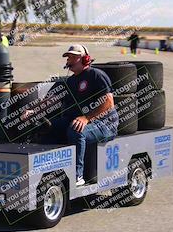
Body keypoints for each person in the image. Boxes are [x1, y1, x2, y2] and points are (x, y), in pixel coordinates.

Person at [23, 45, 119, 186]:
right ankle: (49, 170)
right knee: (47, 127)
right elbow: (51, 101)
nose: (69, 60)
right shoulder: (70, 81)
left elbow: (108, 103)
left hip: (105, 124)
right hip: (79, 121)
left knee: (76, 130)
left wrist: (86, 118)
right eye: (68, 57)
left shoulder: (96, 75)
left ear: (86, 59)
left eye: (74, 57)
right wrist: (32, 111)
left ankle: (77, 176)